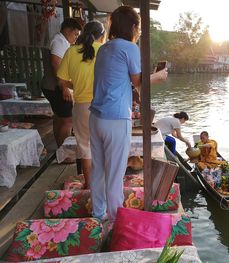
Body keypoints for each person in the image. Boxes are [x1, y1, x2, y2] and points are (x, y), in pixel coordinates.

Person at [89, 6, 168, 224]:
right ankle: (116, 221)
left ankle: (97, 215)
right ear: (133, 27)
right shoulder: (129, 47)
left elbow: (120, 81)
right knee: (115, 174)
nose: (139, 31)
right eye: (139, 27)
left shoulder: (104, 49)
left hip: (96, 117)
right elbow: (138, 81)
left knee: (99, 169)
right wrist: (158, 75)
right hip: (115, 119)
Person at [56, 21, 105, 188]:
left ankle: (89, 186)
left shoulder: (71, 51)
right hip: (104, 107)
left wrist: (75, 84)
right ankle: (104, 184)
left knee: (85, 147)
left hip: (82, 107)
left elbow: (61, 80)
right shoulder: (105, 50)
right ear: (102, 36)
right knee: (105, 145)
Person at [41, 18, 82, 148]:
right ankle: (65, 153)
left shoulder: (59, 40)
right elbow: (55, 64)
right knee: (67, 119)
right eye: (75, 34)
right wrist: (64, 87)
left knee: (59, 118)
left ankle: (60, 149)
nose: (76, 38)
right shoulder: (59, 41)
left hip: (51, 86)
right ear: (68, 30)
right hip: (56, 87)